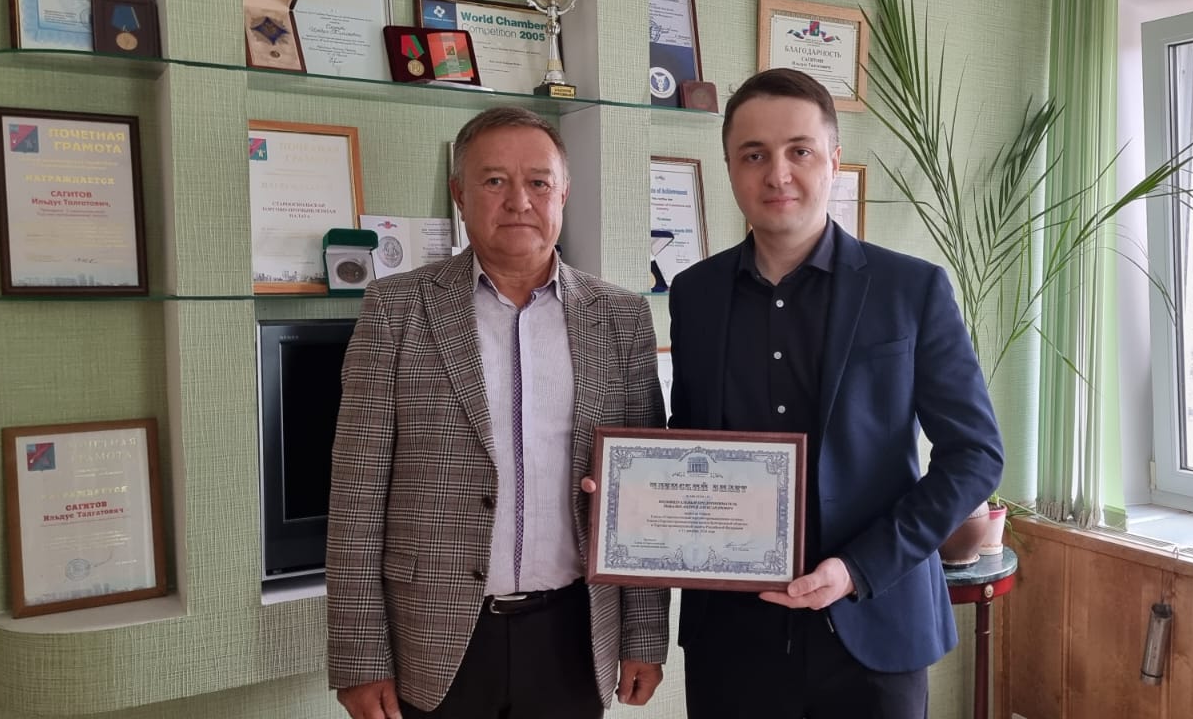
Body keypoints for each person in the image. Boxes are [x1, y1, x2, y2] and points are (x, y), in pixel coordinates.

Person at [665, 68, 1005, 717]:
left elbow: (975, 456)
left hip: (875, 621)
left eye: (800, 150)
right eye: (754, 155)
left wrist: (858, 568)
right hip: (731, 637)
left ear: (833, 160)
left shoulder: (913, 290)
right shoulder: (695, 294)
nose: (778, 174)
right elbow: (689, 442)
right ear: (730, 167)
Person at [327, 106, 670, 719]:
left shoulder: (621, 318)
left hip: (574, 632)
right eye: (494, 181)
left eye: (538, 182)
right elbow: (357, 494)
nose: (519, 201)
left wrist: (643, 635)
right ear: (460, 194)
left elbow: (643, 496)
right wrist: (359, 655)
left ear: (563, 193)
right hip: (433, 637)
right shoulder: (396, 309)